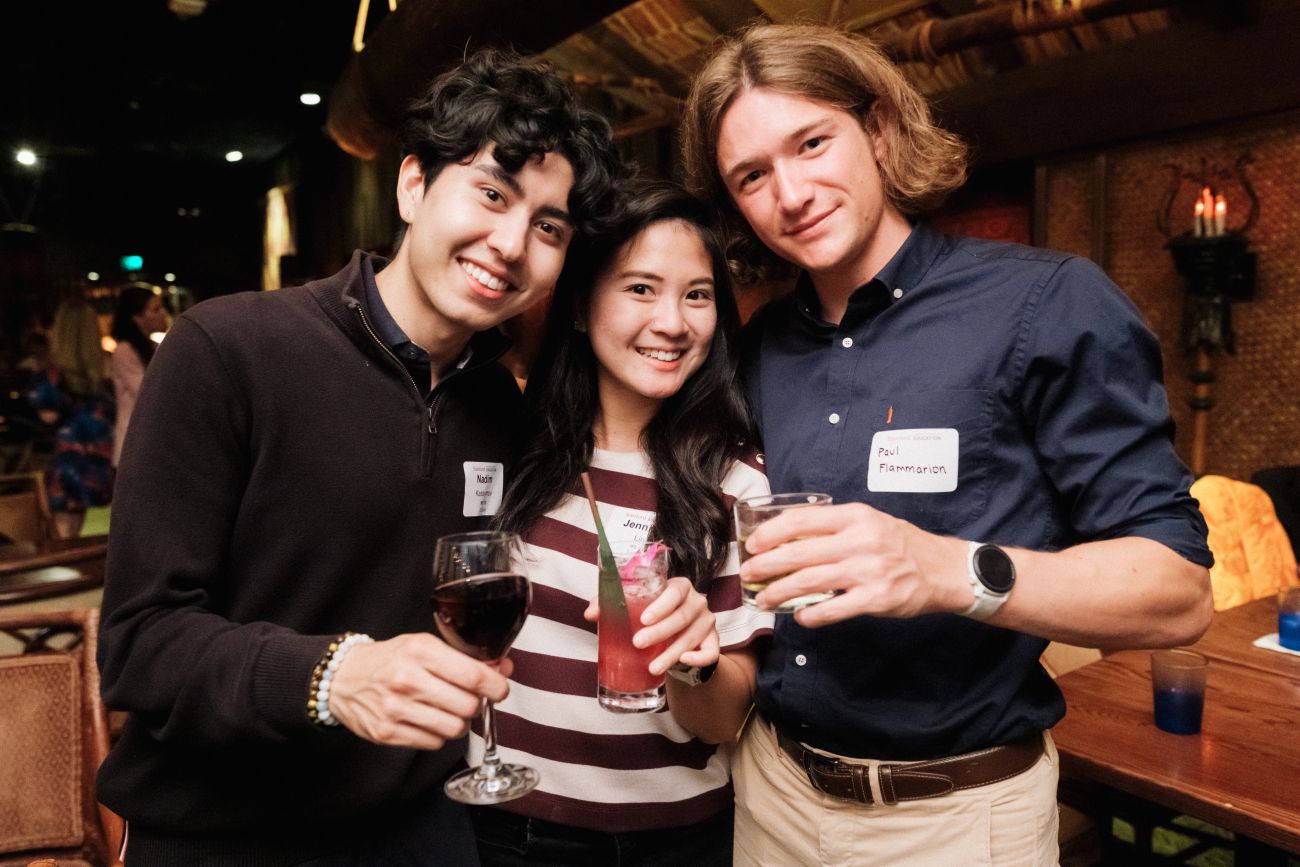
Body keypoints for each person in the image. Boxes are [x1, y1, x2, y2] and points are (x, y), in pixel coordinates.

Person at [680, 24, 1215, 867]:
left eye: (812, 142)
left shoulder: (1046, 304)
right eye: (752, 175)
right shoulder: (755, 348)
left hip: (956, 820)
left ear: (881, 130)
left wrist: (943, 569)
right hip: (771, 793)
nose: (790, 192)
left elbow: (1177, 591)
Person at [96, 50, 622, 866]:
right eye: (491, 193)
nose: (511, 243)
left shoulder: (499, 409)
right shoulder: (228, 349)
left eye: (548, 226)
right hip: (220, 835)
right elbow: (139, 647)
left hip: (422, 831)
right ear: (413, 185)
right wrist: (331, 675)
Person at [470, 185, 771, 866]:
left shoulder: (739, 481)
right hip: (510, 827)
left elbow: (724, 720)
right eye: (641, 287)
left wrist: (695, 662)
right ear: (580, 305)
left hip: (675, 841)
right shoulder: (510, 448)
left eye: (697, 295)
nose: (672, 321)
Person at [27, 298, 114, 537]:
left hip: (69, 456)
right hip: (102, 455)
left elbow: (48, 416)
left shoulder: (52, 372)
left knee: (66, 537)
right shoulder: (107, 365)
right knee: (103, 535)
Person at [109, 284, 168, 466]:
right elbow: (148, 392)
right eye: (155, 309)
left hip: (153, 443)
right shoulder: (124, 351)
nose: (163, 313)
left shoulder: (154, 347)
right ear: (136, 318)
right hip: (134, 446)